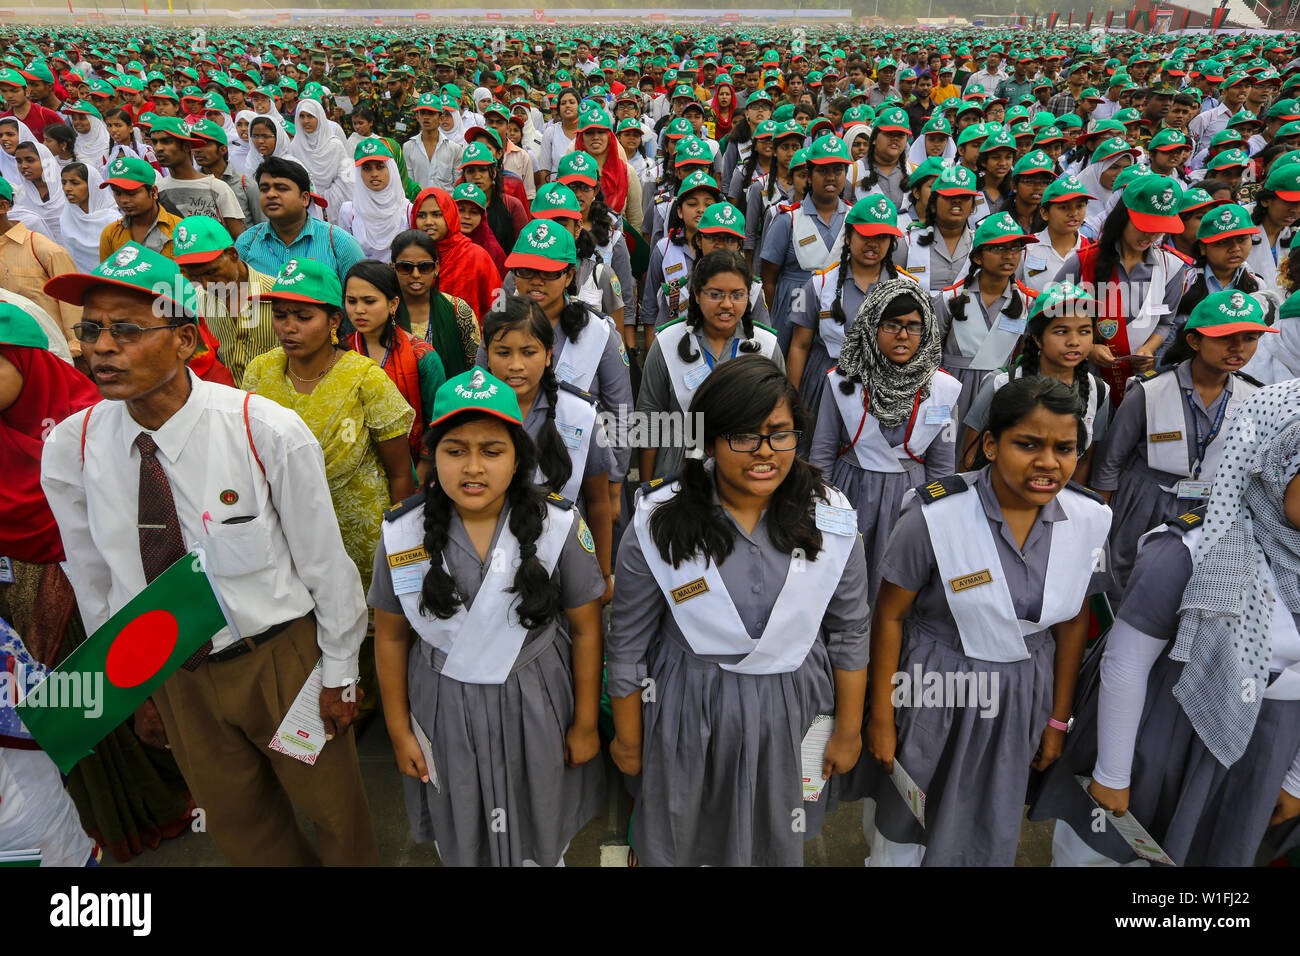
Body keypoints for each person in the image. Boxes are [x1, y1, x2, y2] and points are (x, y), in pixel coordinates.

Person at [40, 244, 381, 866]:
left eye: (127, 329)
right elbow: (94, 582)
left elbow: (324, 564)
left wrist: (340, 671)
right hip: (175, 674)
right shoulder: (72, 448)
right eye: (90, 329)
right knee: (239, 825)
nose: (101, 347)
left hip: (280, 661)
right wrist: (132, 689)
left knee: (335, 815)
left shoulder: (262, 429)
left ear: (184, 339)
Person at [608, 354, 869, 866]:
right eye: (743, 437)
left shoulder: (831, 517)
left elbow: (851, 631)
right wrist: (629, 739)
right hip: (687, 703)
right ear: (708, 441)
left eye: (780, 433)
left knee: (774, 836)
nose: (764, 453)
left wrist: (849, 728)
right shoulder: (658, 521)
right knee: (686, 832)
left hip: (793, 706)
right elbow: (627, 643)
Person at [1029, 377, 1300, 867]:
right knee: (1107, 853)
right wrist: (1112, 772)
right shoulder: (1189, 549)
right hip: (1165, 726)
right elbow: (1126, 665)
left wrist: (1294, 776)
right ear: (1272, 466)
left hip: (1266, 742)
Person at [860, 376, 1112, 866]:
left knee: (989, 815)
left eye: (1065, 448)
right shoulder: (936, 515)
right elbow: (889, 616)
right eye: (1028, 444)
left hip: (1023, 691)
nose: (1047, 462)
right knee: (906, 819)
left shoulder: (1090, 519)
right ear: (991, 445)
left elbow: (1073, 624)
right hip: (933, 685)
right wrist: (882, 716)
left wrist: (1058, 720)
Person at [370, 366, 606, 867]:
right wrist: (398, 730)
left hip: (537, 698)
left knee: (539, 811)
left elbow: (586, 628)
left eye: (491, 450)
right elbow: (390, 638)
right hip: (443, 702)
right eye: (455, 450)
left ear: (518, 456)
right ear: (432, 456)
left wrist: (585, 723)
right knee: (461, 819)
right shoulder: (402, 534)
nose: (473, 467)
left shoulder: (557, 525)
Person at [809, 279, 959, 599]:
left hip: (910, 498)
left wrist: (935, 518)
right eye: (892, 324)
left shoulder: (943, 389)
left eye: (914, 326)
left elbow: (942, 465)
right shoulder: (842, 381)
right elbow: (821, 453)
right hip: (850, 492)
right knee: (845, 584)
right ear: (871, 324)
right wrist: (822, 511)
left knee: (896, 590)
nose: (904, 335)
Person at [483, 296, 614, 592]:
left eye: (529, 352)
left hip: (562, 562)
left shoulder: (582, 415)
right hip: (490, 562)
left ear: (548, 354)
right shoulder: (468, 415)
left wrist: (604, 574)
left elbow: (597, 501)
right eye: (503, 352)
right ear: (487, 354)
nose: (516, 365)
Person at [636, 250, 782, 481]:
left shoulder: (766, 346)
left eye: (737, 295)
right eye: (715, 294)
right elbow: (648, 421)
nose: (727, 304)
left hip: (747, 470)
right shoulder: (667, 343)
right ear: (696, 293)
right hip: (678, 470)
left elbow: (778, 421)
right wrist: (646, 491)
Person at [1052, 175, 1188, 402]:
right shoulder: (1084, 261)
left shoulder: (1172, 268)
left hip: (1137, 381)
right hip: (1080, 375)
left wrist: (1149, 349)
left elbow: (1166, 322)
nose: (1150, 236)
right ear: (1123, 216)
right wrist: (1089, 347)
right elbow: (1050, 315)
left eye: (1158, 229)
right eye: (1144, 226)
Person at [788, 194, 913, 422]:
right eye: (866, 235)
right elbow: (800, 344)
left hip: (884, 389)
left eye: (883, 237)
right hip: (826, 383)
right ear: (848, 237)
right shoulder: (818, 284)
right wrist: (792, 400)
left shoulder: (908, 289)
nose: (874, 244)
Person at [932, 211, 1037, 423]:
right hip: (950, 390)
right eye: (999, 248)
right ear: (978, 256)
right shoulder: (949, 298)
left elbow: (1029, 356)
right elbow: (929, 352)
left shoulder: (1029, 303)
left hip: (1001, 391)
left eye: (1016, 248)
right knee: (945, 449)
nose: (1009, 256)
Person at [344, 258, 447, 464]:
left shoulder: (422, 357)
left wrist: (425, 468)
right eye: (351, 301)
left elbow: (437, 421)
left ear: (393, 304)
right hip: (353, 465)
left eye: (369, 301)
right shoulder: (341, 352)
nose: (359, 310)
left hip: (411, 465)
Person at [760, 135, 854, 341]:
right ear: (809, 175)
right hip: (792, 309)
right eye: (822, 170)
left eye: (838, 170)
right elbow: (768, 278)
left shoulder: (854, 218)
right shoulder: (788, 219)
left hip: (838, 310)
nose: (831, 177)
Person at [172, 214, 278, 388]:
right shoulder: (194, 303)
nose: (206, 284)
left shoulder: (276, 295)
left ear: (232, 254)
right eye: (194, 276)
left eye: (212, 272)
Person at [235, 155, 366, 286]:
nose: (271, 194)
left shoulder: (339, 243)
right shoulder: (247, 242)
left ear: (305, 198)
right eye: (264, 189)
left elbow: (361, 295)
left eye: (281, 188)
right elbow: (235, 298)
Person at [0, 175, 80, 358]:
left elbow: (72, 304)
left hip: (50, 355)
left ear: (3, 207)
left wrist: (76, 351)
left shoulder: (43, 249)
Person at [390, 228, 480, 378]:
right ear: (393, 268)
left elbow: (475, 368)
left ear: (436, 268)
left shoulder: (458, 311)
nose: (416, 275)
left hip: (451, 399)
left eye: (425, 267)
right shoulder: (384, 312)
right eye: (406, 267)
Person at [409, 186, 501, 325]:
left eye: (437, 214)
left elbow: (499, 305)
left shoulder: (476, 256)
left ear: (450, 215)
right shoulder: (408, 257)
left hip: (470, 342)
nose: (428, 221)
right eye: (421, 215)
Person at [149, 117, 244, 237]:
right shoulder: (157, 190)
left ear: (186, 146)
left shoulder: (217, 188)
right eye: (154, 142)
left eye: (166, 141)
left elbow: (240, 240)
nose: (158, 148)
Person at [905, 162, 977, 296]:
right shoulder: (908, 242)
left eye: (965, 196)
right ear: (932, 205)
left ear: (973, 207)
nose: (957, 201)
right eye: (949, 196)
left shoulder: (980, 244)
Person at [98, 154, 182, 260]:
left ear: (154, 192)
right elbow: (107, 274)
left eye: (131, 193)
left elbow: (182, 274)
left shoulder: (179, 229)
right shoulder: (110, 234)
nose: (123, 200)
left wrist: (175, 277)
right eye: (117, 193)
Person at [339, 138, 412, 261]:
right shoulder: (349, 212)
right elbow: (344, 254)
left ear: (391, 169)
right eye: (367, 168)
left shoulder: (408, 210)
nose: (374, 174)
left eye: (380, 167)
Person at [287, 99, 355, 225]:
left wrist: (328, 197)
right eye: (302, 116)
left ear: (320, 117)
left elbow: (347, 179)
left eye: (310, 116)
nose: (306, 121)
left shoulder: (335, 145)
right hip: (306, 206)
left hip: (335, 208)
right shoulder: (295, 146)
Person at [402, 91, 462, 193]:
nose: (426, 117)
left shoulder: (454, 149)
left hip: (446, 205)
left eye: (431, 113)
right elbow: (409, 184)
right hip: (419, 205)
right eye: (423, 113)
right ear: (417, 116)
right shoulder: (408, 147)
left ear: (441, 118)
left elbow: (457, 185)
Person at [11, 139, 66, 245]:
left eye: (30, 160)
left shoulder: (67, 189)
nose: (23, 166)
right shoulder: (20, 195)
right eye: (19, 161)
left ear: (46, 161)